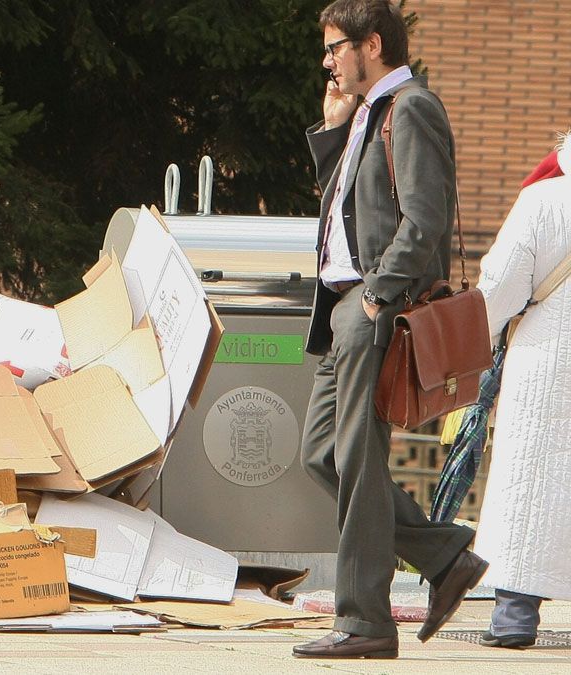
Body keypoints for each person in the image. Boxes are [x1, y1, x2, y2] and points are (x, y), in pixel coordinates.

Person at [292, 0, 487, 659]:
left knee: (357, 457)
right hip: (346, 310)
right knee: (325, 453)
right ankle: (445, 554)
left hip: (374, 308)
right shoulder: (366, 115)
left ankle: (365, 618)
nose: (328, 60)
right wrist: (332, 131)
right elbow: (344, 215)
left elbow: (425, 217)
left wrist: (377, 296)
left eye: (336, 47)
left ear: (372, 44)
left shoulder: (412, 108)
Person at [472, 134, 571, 649]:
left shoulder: (544, 200)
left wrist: (484, 335)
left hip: (547, 364)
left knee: (531, 486)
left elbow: (501, 283)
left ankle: (515, 618)